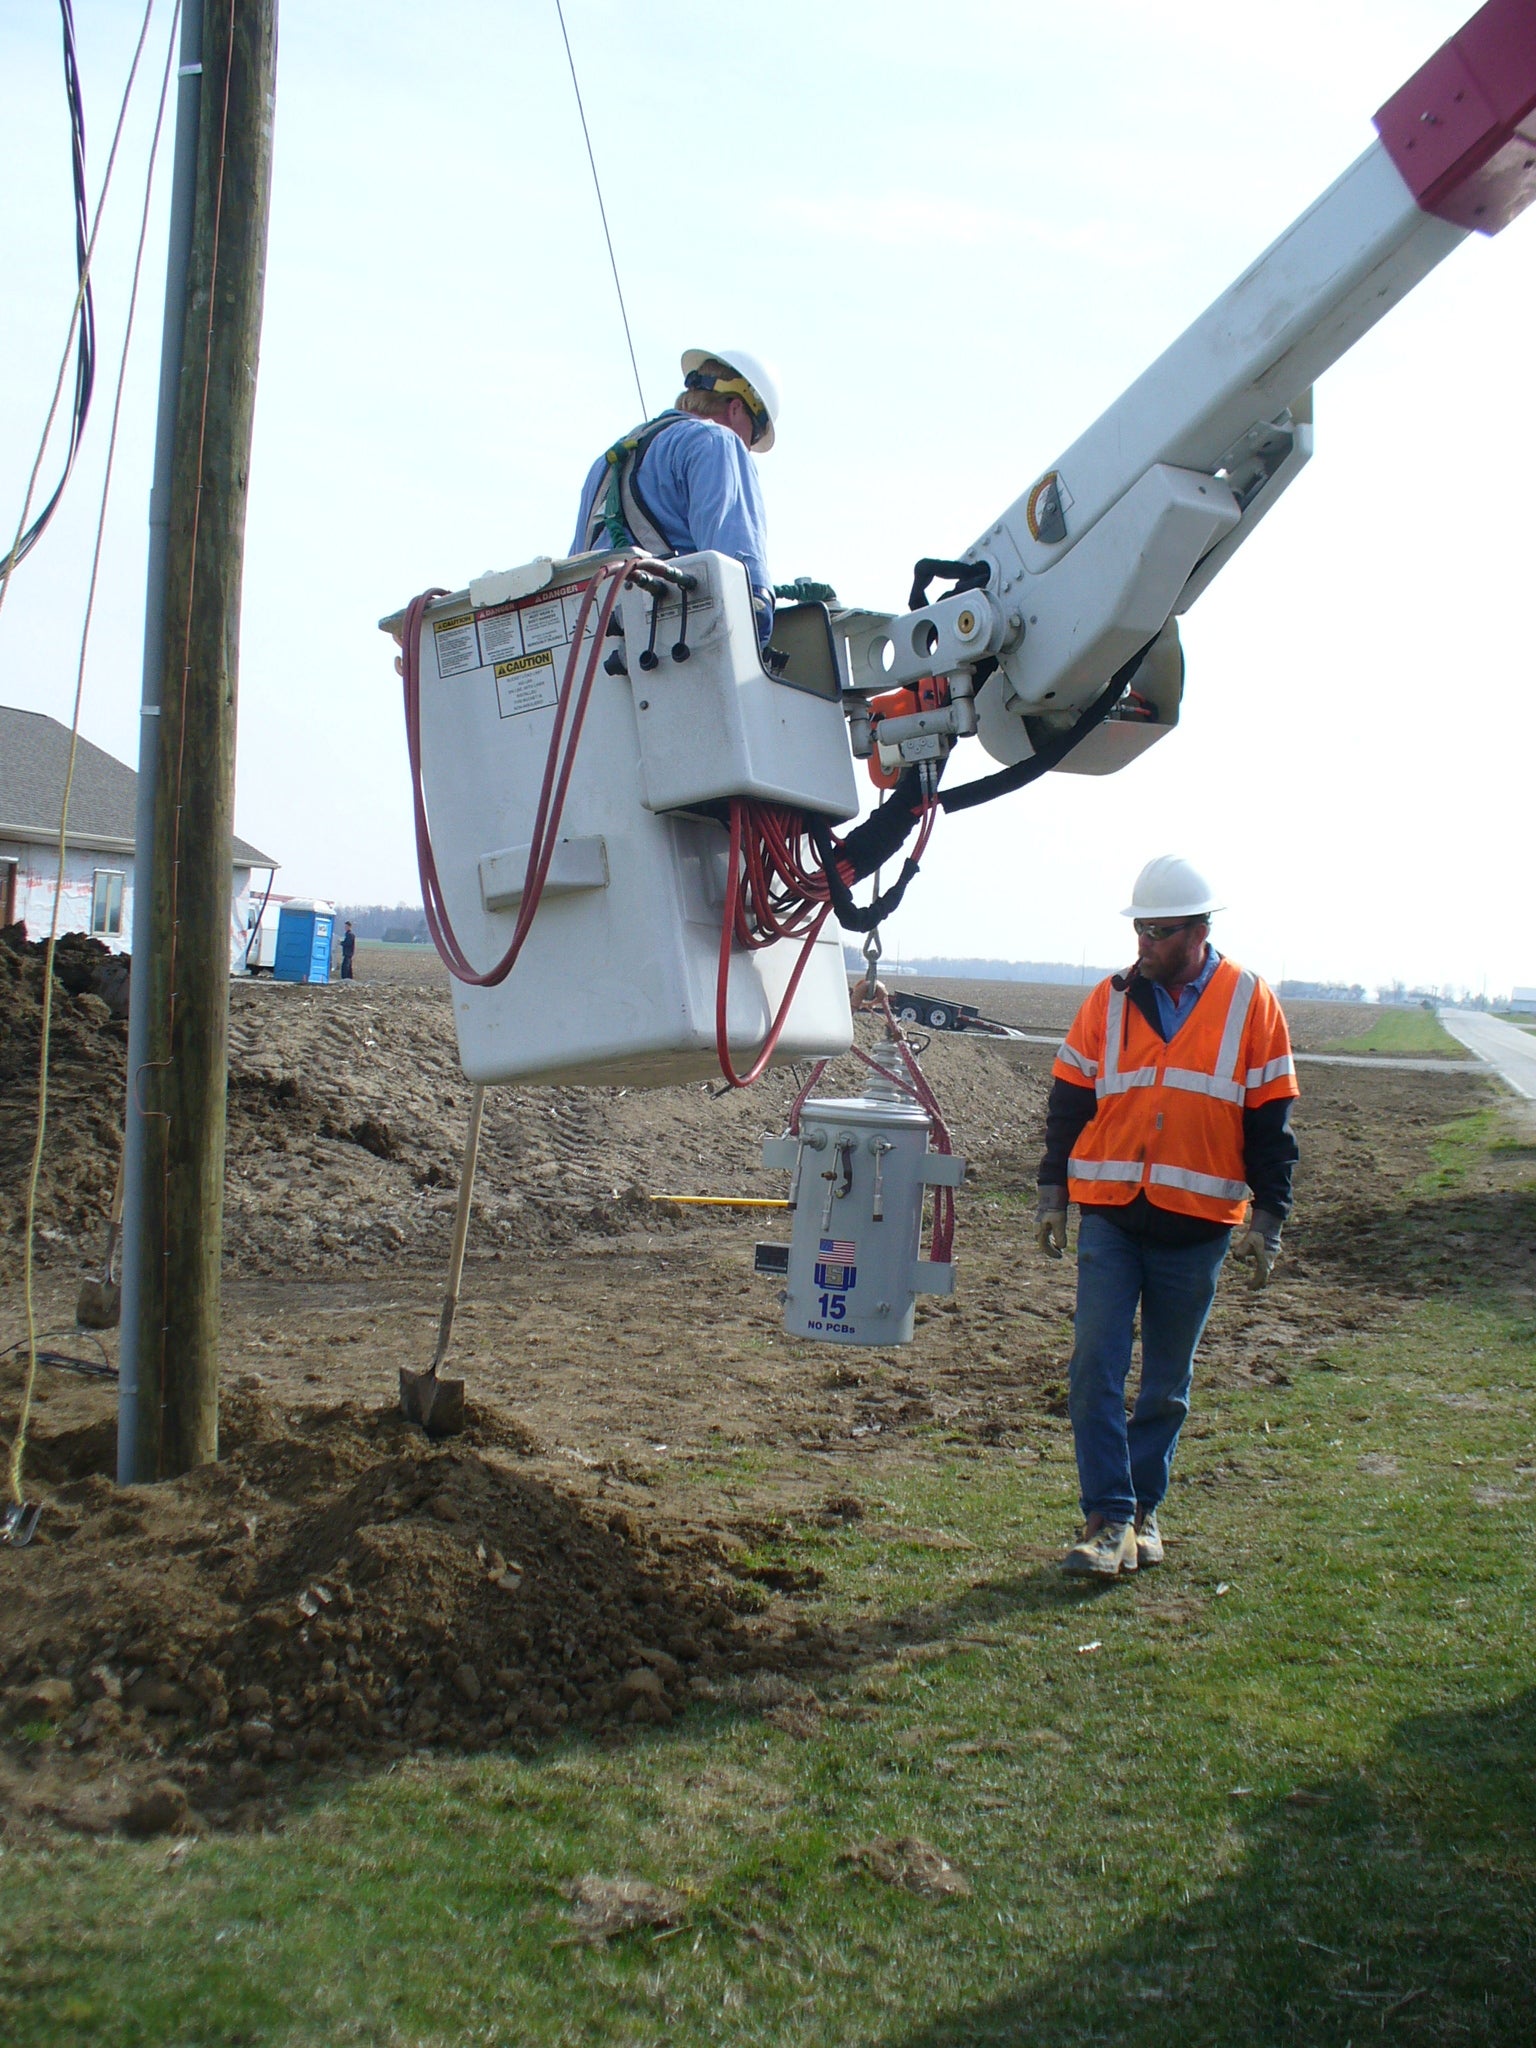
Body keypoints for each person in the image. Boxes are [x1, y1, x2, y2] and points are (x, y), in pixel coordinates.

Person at [1035, 856, 1299, 1576]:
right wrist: (1052, 1190)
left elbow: (1272, 1120)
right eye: (1140, 928)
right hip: (1113, 1216)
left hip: (1198, 1224)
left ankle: (1144, 1516)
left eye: (1157, 931)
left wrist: (1269, 1219)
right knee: (1094, 1365)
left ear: (1198, 932)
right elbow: (1068, 1102)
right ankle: (1106, 1519)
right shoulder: (1109, 999)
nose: (1143, 943)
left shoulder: (1251, 1003)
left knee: (1165, 1384)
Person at [570, 346, 779, 644]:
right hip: (674, 651)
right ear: (736, 408)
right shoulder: (718, 442)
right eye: (754, 435)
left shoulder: (606, 464)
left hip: (599, 657)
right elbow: (742, 586)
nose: (747, 446)